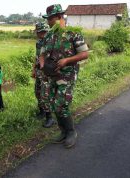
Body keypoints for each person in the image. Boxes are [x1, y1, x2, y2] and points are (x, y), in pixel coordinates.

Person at [39, 4, 89, 148]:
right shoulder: (48, 35)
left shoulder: (73, 34)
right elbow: (42, 54)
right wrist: (42, 65)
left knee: (61, 105)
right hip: (51, 75)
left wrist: (67, 60)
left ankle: (71, 132)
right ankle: (63, 132)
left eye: (50, 18)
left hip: (67, 76)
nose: (48, 22)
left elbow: (84, 54)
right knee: (54, 104)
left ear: (60, 17)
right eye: (47, 19)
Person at [31, 22, 49, 119]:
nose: (36, 34)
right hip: (39, 72)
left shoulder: (51, 42)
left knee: (45, 94)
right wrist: (34, 70)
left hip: (47, 72)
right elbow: (37, 57)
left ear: (42, 32)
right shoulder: (38, 43)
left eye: (37, 32)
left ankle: (49, 117)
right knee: (37, 92)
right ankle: (41, 112)